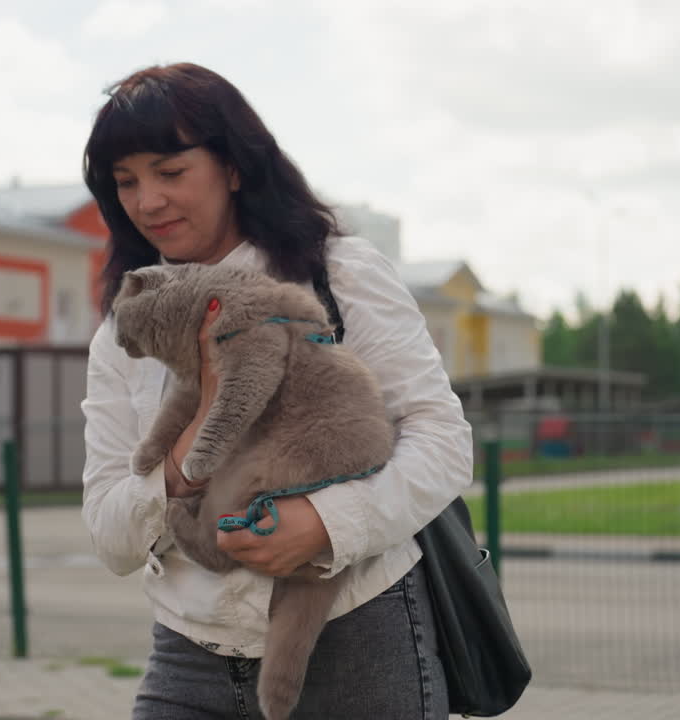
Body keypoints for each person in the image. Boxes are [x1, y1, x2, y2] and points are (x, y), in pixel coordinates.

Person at [80, 62, 474, 719]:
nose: (147, 201)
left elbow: (443, 443)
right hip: (188, 654)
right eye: (126, 182)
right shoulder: (124, 334)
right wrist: (188, 448)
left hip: (357, 640)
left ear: (234, 167)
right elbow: (110, 535)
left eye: (170, 172)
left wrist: (326, 525)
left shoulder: (338, 275)